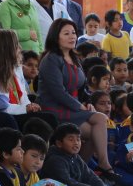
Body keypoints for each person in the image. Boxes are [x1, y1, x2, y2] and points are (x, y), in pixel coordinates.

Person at [38, 19, 115, 174]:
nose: (72, 36)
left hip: (73, 107)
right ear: (56, 37)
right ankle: (93, 167)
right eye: (66, 33)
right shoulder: (51, 59)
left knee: (100, 121)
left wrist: (87, 102)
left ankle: (93, 166)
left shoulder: (74, 57)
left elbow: (82, 88)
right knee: (96, 128)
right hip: (54, 108)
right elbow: (58, 92)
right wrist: (79, 106)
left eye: (73, 33)